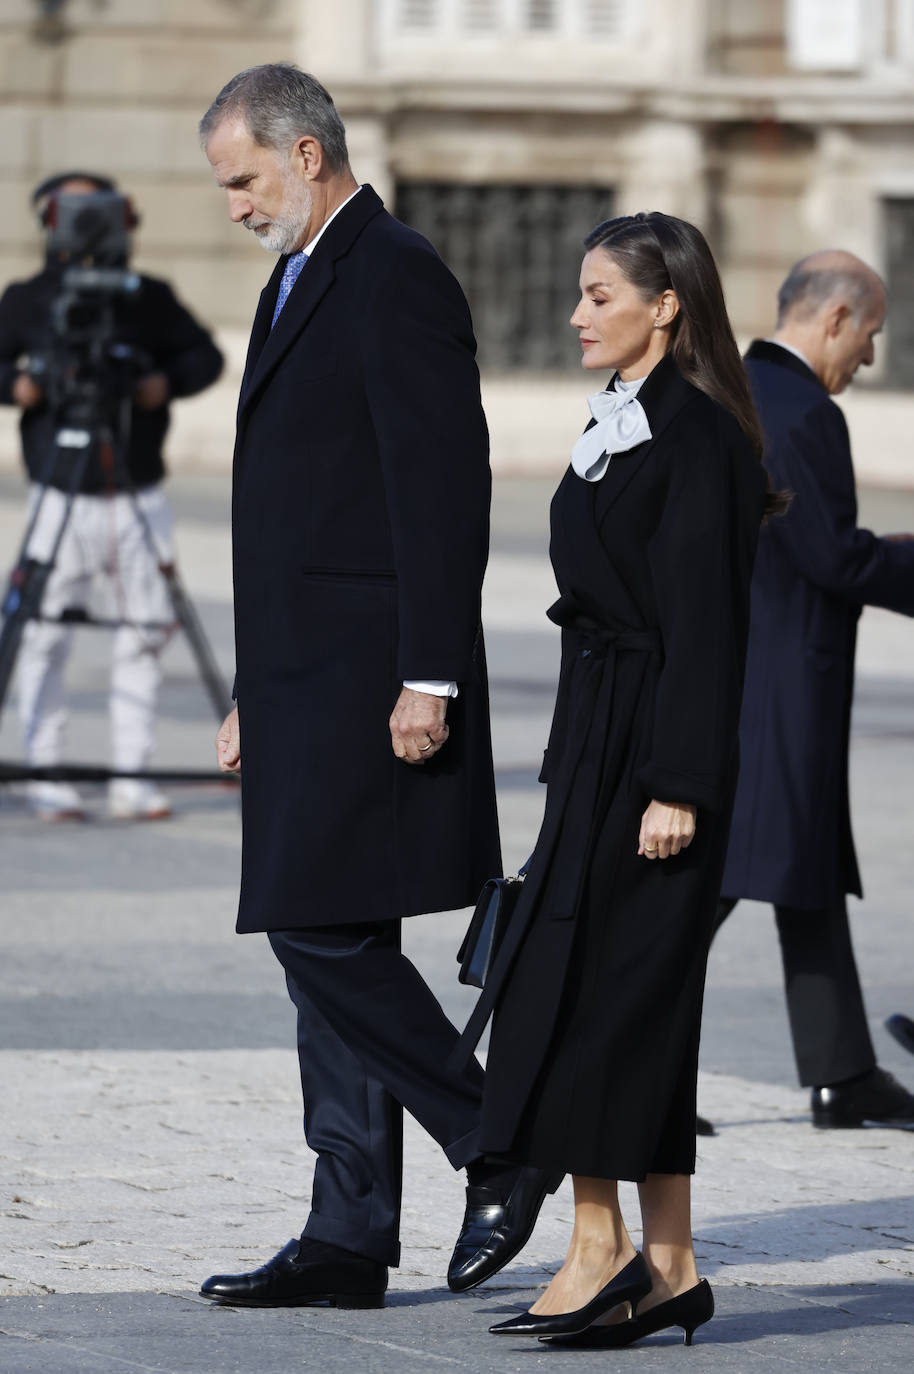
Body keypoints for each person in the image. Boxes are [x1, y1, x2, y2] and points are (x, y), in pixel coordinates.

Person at [196, 63, 556, 1311]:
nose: (233, 206)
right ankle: (347, 1233)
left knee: (313, 923)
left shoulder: (392, 269)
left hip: (371, 676)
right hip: (301, 679)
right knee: (325, 940)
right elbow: (289, 511)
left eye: (242, 179)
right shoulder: (290, 279)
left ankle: (495, 1136)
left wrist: (428, 674)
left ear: (305, 155)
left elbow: (442, 487)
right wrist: (252, 687)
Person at [455, 212, 776, 1349]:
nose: (577, 312)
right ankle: (628, 1253)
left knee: (625, 1006)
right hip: (595, 745)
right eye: (581, 293)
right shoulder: (621, 424)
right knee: (578, 996)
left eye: (599, 295)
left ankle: (638, 1258)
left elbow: (703, 631)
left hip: (657, 753)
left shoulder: (699, 440)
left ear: (665, 304)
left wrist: (677, 784)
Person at [716, 251, 914, 1130]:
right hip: (778, 682)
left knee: (805, 873)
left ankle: (842, 1070)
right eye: (868, 335)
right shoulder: (801, 410)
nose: (868, 358)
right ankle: (623, 1078)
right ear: (834, 319)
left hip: (761, 669)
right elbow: (834, 557)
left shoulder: (740, 386)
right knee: (707, 888)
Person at [0, 171, 224, 821]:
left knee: (145, 633)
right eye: (72, 210)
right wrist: (17, 386)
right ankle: (47, 772)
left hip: (134, 490)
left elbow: (205, 358)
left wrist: (162, 382)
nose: (87, 223)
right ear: (48, 219)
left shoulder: (147, 297)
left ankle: (134, 775)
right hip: (58, 489)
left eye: (98, 210)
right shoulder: (26, 299)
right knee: (41, 636)